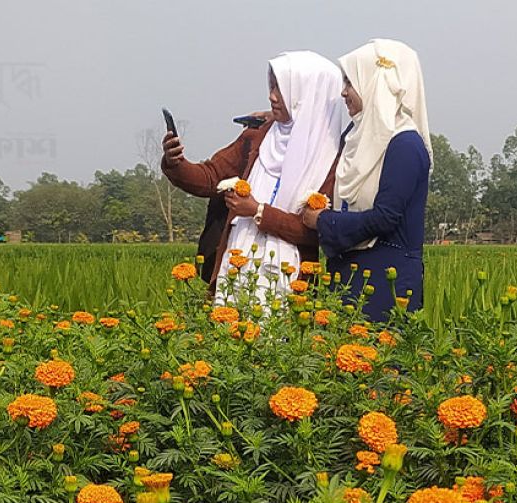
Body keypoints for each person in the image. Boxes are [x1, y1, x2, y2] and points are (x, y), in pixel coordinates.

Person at [162, 51, 347, 304]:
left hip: (289, 281)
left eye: (281, 89)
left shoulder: (330, 158)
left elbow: (315, 233)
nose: (271, 96)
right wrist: (176, 163)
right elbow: (210, 177)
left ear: (306, 94)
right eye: (271, 86)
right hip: (236, 264)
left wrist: (258, 211)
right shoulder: (257, 137)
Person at [302, 39, 431, 322]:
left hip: (387, 285)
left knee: (379, 363)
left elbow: (385, 218)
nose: (344, 92)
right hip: (350, 278)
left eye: (350, 82)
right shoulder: (358, 138)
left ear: (373, 83)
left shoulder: (404, 145)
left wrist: (323, 221)